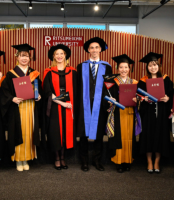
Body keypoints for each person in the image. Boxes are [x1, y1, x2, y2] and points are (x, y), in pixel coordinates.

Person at [0, 43, 42, 172]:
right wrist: (12, 98)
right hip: (17, 108)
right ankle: (19, 159)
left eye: (27, 56)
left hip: (31, 107)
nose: (24, 58)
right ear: (17, 57)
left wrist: (38, 95)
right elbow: (4, 92)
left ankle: (28, 157)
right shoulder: (11, 74)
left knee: (30, 133)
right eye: (22, 56)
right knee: (19, 132)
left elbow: (39, 89)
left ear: (30, 58)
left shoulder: (34, 73)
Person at [76, 37, 112, 171]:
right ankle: (84, 161)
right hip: (84, 105)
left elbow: (109, 86)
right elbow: (77, 86)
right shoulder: (81, 66)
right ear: (88, 50)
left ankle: (97, 161)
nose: (94, 50)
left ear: (101, 49)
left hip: (100, 105)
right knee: (84, 134)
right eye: (92, 48)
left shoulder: (106, 67)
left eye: (97, 47)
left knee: (98, 134)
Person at [42, 44, 77, 170]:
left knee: (65, 132)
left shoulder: (72, 71)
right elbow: (47, 91)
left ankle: (63, 158)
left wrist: (70, 104)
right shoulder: (48, 72)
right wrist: (61, 102)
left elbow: (77, 90)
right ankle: (57, 158)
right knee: (55, 132)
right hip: (55, 107)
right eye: (57, 54)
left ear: (65, 56)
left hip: (69, 107)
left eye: (62, 53)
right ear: (53, 56)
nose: (59, 56)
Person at [138, 52, 173, 173]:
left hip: (161, 113)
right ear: (147, 67)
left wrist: (168, 98)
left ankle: (157, 161)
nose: (153, 67)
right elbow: (138, 97)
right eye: (150, 65)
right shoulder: (142, 82)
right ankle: (149, 161)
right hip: (148, 114)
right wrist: (144, 99)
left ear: (159, 66)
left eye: (155, 65)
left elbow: (171, 95)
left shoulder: (166, 80)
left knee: (160, 136)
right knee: (148, 136)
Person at [106, 54, 138, 173]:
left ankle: (128, 161)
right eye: (121, 67)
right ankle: (119, 161)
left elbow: (139, 98)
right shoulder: (112, 82)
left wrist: (137, 100)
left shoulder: (135, 82)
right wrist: (111, 100)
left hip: (130, 114)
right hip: (117, 114)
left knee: (129, 137)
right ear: (117, 68)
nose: (123, 70)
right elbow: (106, 98)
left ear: (129, 69)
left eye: (126, 67)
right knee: (118, 136)